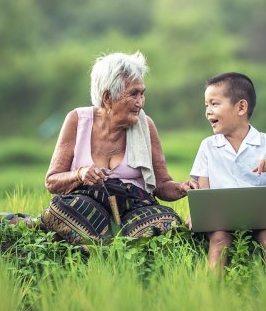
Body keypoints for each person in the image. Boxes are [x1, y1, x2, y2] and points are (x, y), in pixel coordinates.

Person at [40, 51, 197, 246]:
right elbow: (52, 182)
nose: (140, 102)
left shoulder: (145, 125)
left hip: (134, 207)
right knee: (63, 209)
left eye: (142, 94)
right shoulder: (77, 120)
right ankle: (113, 244)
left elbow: (161, 183)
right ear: (107, 97)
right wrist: (79, 174)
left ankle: (103, 244)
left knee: (167, 222)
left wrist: (180, 188)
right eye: (133, 94)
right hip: (89, 207)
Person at [189, 72, 266, 272]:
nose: (208, 112)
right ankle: (212, 289)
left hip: (263, 218)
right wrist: (196, 213)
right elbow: (202, 189)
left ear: (241, 107)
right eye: (206, 105)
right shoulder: (208, 146)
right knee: (219, 239)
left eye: (214, 104)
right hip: (221, 220)